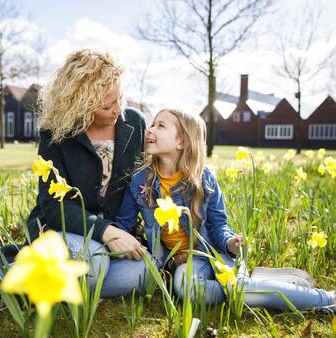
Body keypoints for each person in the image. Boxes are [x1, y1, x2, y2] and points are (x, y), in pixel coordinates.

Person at [0, 49, 148, 306]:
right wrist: (106, 233)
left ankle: (33, 277)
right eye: (107, 105)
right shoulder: (56, 134)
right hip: (67, 232)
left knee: (141, 273)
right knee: (92, 261)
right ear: (81, 103)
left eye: (120, 98)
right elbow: (53, 206)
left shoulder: (134, 124)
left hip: (118, 235)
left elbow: (151, 180)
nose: (118, 109)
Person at [114, 108, 335, 311]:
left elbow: (219, 226)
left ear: (182, 141)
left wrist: (231, 243)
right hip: (172, 262)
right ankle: (254, 286)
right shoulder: (140, 181)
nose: (150, 129)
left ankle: (325, 299)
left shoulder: (203, 179)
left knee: (203, 288)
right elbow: (124, 225)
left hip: (208, 255)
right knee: (186, 287)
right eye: (152, 124)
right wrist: (117, 240)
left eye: (160, 126)